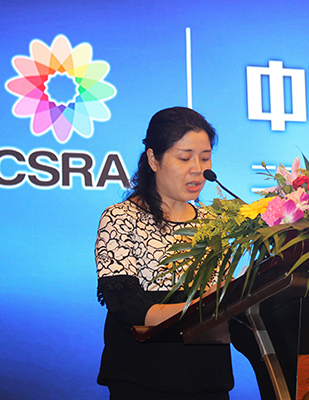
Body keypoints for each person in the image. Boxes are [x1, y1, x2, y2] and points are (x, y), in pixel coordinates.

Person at [95, 107, 234, 399]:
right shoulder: (121, 219)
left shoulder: (213, 224)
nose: (197, 169)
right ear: (153, 159)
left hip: (208, 381)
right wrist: (200, 307)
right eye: (184, 158)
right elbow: (127, 306)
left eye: (205, 157)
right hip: (142, 381)